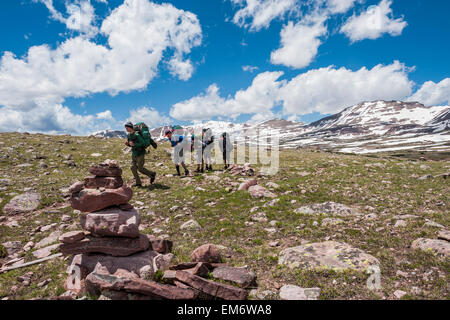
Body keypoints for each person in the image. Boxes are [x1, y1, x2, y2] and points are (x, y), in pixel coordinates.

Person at [124, 122, 156, 187]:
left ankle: (152, 174)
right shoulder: (129, 135)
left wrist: (134, 144)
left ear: (130, 127)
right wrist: (128, 144)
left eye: (127, 127)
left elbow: (143, 143)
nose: (126, 129)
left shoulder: (137, 135)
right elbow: (131, 144)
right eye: (125, 128)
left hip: (140, 153)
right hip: (134, 153)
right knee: (133, 168)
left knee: (140, 169)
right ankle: (138, 183)